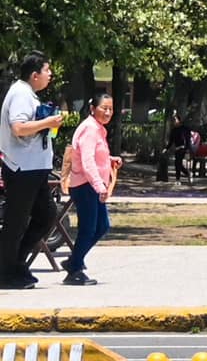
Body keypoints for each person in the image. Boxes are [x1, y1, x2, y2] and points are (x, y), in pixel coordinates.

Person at [0, 52, 65, 288]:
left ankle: (16, 263)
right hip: (21, 169)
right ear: (35, 74)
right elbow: (18, 127)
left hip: (34, 168)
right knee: (15, 223)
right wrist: (49, 122)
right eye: (47, 70)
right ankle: (6, 272)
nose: (50, 75)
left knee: (47, 215)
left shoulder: (28, 94)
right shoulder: (20, 93)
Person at [64, 94, 119, 286]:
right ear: (93, 108)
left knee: (102, 226)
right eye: (104, 108)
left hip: (92, 185)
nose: (108, 112)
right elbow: (87, 161)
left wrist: (110, 159)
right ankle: (74, 269)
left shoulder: (98, 129)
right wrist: (99, 186)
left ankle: (74, 261)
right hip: (85, 185)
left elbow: (95, 156)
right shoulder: (89, 129)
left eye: (110, 109)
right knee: (88, 229)